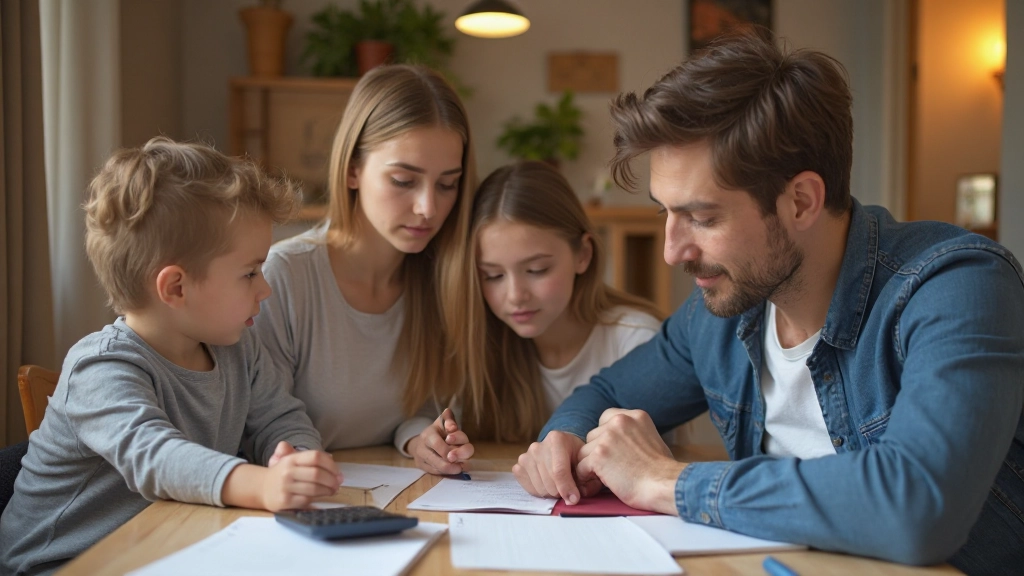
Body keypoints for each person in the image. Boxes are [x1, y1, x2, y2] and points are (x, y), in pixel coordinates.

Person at [512, 27, 1024, 574]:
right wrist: (561, 440)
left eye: (703, 218)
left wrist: (669, 481)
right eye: (666, 212)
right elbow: (607, 390)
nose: (671, 251)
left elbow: (919, 508)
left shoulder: (957, 286)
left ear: (801, 201)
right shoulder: (724, 313)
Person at [0, 137, 341, 576]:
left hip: (162, 549)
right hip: (60, 564)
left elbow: (280, 416)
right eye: (250, 273)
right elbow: (157, 457)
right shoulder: (99, 368)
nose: (265, 289)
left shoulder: (237, 346)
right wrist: (262, 483)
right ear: (176, 287)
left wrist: (294, 457)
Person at [253, 64, 476, 461]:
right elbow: (262, 424)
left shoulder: (441, 278)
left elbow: (416, 411)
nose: (428, 208)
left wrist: (419, 437)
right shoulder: (284, 275)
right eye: (404, 181)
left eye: (447, 184)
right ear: (353, 169)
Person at [408, 161, 665, 474]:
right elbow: (418, 418)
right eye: (492, 275)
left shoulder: (635, 339)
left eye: (536, 270)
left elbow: (649, 460)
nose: (516, 295)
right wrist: (424, 443)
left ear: (583, 255)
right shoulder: (481, 338)